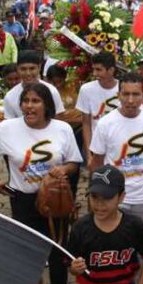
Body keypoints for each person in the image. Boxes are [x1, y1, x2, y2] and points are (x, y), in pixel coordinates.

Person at [0, 82, 82, 284]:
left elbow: (75, 162)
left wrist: (63, 169)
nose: (29, 106)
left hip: (57, 203)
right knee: (29, 253)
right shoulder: (6, 129)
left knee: (58, 254)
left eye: (35, 101)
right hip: (23, 202)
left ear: (47, 105)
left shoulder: (63, 129)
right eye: (26, 101)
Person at [88, 72, 143, 284]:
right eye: (126, 94)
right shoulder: (106, 124)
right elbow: (97, 162)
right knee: (114, 245)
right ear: (118, 95)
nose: (131, 100)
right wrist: (97, 197)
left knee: (140, 246)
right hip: (115, 200)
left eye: (136, 94)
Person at [46, 64, 84, 202]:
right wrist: (71, 116)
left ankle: (71, 198)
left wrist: (74, 116)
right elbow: (54, 117)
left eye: (60, 81)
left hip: (77, 132)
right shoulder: (47, 93)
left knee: (74, 165)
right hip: (57, 135)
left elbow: (81, 110)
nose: (57, 84)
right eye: (54, 82)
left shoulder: (73, 86)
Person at [77, 52, 120, 160]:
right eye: (94, 69)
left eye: (99, 70)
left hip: (120, 146)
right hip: (97, 148)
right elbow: (86, 123)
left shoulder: (124, 88)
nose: (95, 73)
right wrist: (88, 153)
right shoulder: (86, 90)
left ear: (111, 70)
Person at [3, 51, 65, 120]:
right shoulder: (10, 96)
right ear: (17, 69)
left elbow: (59, 118)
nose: (28, 73)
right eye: (23, 69)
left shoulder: (51, 91)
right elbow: (10, 124)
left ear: (39, 68)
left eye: (32, 68)